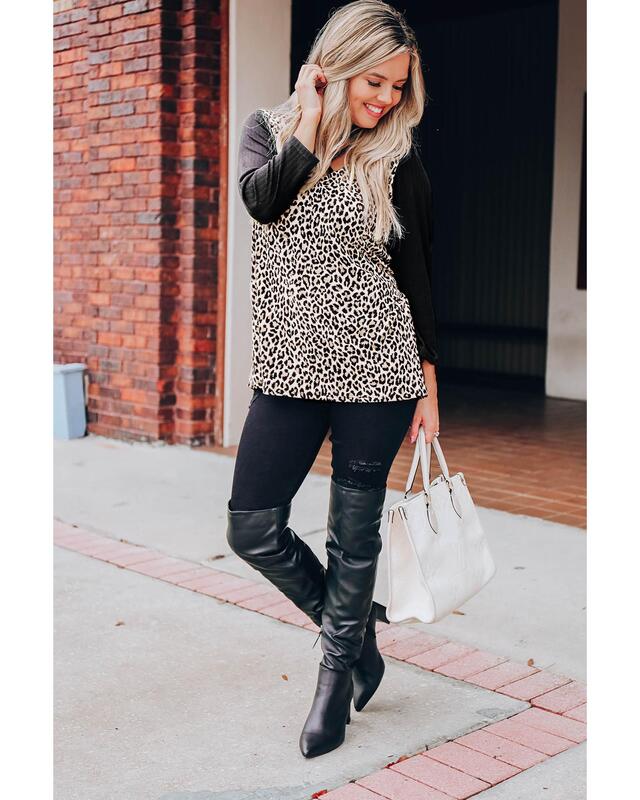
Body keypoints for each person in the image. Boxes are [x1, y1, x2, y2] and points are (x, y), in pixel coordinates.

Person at [226, 0, 440, 759]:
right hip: (287, 368)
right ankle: (357, 646)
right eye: (373, 82)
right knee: (252, 527)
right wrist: (313, 123)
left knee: (354, 540)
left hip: (377, 367)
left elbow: (417, 275)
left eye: (397, 86)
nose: (385, 99)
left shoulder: (397, 156)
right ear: (337, 67)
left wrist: (428, 383)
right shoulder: (269, 130)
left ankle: (332, 684)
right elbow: (262, 202)